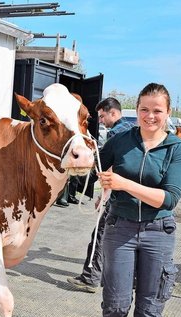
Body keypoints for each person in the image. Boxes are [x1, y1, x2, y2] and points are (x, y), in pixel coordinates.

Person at [97, 83, 181, 317]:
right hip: (119, 228)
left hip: (158, 231)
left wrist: (123, 183)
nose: (150, 116)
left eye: (157, 110)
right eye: (144, 109)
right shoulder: (120, 141)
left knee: (150, 310)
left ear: (168, 112)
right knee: (115, 305)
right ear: (135, 110)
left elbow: (169, 198)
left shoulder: (177, 148)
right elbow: (95, 165)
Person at [67, 97, 132, 292]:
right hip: (132, 194)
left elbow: (110, 168)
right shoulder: (132, 131)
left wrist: (103, 196)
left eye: (103, 116)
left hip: (117, 194)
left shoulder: (116, 134)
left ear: (113, 113)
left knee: (100, 235)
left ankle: (90, 278)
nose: (101, 121)